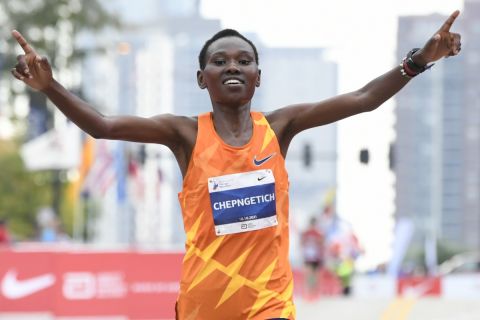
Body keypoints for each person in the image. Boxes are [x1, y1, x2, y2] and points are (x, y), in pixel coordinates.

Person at [10, 10, 461, 319]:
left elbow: (363, 100)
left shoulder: (281, 127)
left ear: (258, 77)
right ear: (200, 77)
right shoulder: (183, 133)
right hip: (205, 301)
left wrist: (419, 61)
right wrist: (51, 88)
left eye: (244, 61)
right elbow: (104, 126)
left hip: (269, 301)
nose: (232, 66)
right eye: (219, 61)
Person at [300, 217, 324, 299]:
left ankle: (313, 292)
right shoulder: (310, 232)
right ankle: (310, 292)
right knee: (310, 274)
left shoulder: (316, 233)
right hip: (310, 256)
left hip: (314, 256)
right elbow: (302, 243)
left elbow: (321, 243)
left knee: (313, 275)